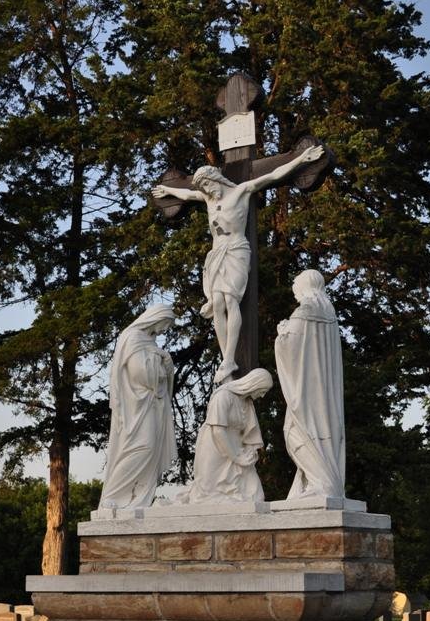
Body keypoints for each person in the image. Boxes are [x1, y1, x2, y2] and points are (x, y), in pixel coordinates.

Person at [152, 145, 324, 383]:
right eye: (204, 189)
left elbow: (274, 175)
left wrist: (302, 158)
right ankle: (228, 358)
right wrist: (168, 189)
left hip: (236, 250)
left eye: (209, 186)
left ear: (216, 179)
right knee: (219, 303)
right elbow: (188, 195)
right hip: (217, 253)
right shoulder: (208, 198)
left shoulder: (241, 191)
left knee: (231, 300)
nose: (208, 192)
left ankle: (230, 357)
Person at [275, 270, 346, 499]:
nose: (294, 289)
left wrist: (281, 333)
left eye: (295, 284)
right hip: (325, 392)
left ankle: (323, 484)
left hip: (307, 391)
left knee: (294, 432)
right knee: (319, 433)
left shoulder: (304, 311)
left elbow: (290, 345)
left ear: (304, 285)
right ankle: (314, 482)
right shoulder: (329, 312)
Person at [98, 304, 177, 509]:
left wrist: (167, 367)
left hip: (151, 404)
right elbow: (139, 374)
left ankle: (138, 497)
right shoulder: (133, 337)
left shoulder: (149, 342)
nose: (163, 330)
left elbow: (158, 374)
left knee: (151, 450)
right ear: (156, 318)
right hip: (136, 406)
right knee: (142, 446)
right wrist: (162, 364)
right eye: (164, 325)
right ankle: (114, 494)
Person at [178, 368, 274, 504]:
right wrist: (236, 458)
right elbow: (217, 430)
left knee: (255, 495)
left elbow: (249, 434)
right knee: (209, 497)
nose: (263, 395)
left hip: (237, 449)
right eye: (263, 390)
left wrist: (248, 451)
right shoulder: (223, 396)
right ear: (255, 384)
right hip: (216, 447)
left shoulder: (246, 403)